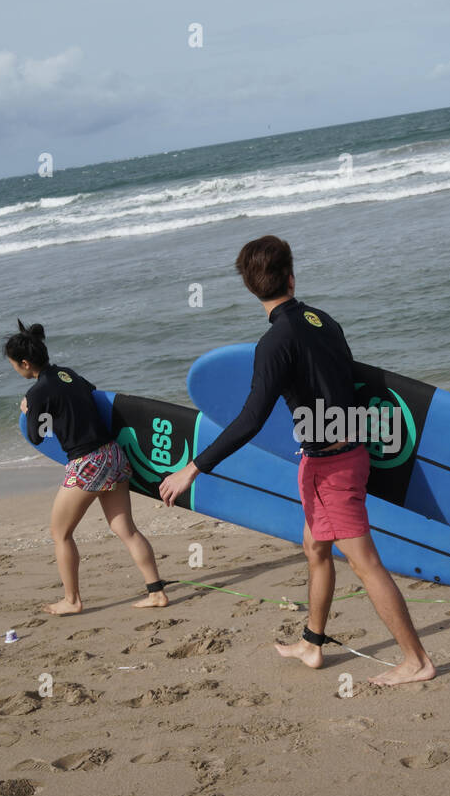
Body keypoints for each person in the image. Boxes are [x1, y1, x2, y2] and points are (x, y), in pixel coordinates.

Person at [157, 236, 435, 685]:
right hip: (340, 455)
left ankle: (416, 660)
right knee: (315, 548)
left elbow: (250, 419)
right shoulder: (323, 321)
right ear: (290, 276)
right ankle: (311, 642)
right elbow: (349, 385)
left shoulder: (273, 343)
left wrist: (192, 468)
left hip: (333, 467)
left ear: (251, 289)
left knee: (365, 563)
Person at [6, 320, 168, 614]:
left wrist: (27, 410)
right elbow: (93, 396)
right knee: (125, 529)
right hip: (113, 454)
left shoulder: (37, 393)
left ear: (25, 363)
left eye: (14, 365)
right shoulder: (67, 373)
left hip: (87, 463)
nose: (15, 370)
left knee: (60, 534)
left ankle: (72, 601)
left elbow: (37, 435)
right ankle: (156, 592)